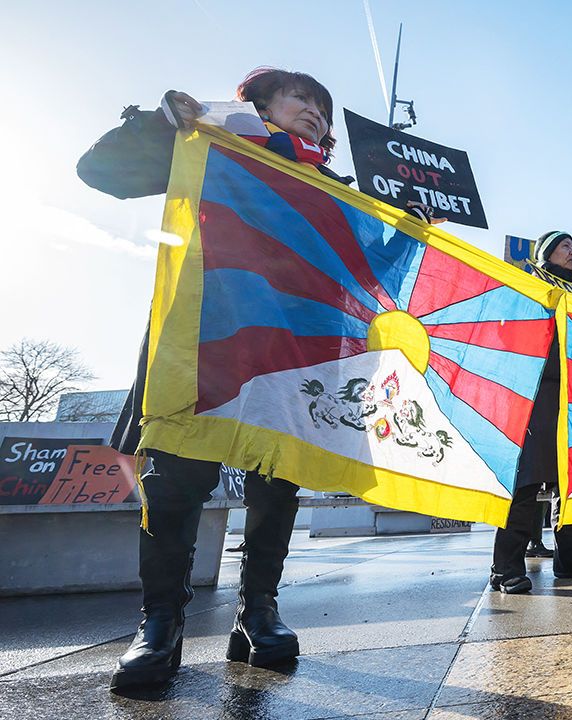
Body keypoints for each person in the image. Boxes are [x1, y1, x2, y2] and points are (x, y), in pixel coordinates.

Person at [78, 69, 358, 691]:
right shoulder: (212, 147)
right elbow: (101, 172)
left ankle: (257, 610)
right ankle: (160, 621)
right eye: (302, 100)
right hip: (201, 346)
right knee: (176, 480)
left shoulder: (334, 188)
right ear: (260, 105)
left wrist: (406, 222)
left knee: (278, 483)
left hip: (289, 359)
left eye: (323, 109)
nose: (315, 114)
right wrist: (160, 126)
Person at [491, 231, 572, 593]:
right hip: (538, 393)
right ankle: (505, 567)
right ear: (546, 255)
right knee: (526, 482)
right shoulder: (529, 286)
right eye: (564, 247)